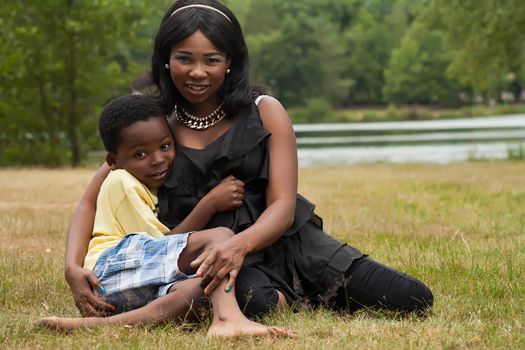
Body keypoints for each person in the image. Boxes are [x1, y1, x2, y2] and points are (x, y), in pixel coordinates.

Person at [65, 0, 433, 321]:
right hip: (215, 263)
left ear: (230, 62)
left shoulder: (265, 112)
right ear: (165, 60)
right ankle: (287, 300)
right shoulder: (153, 128)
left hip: (288, 244)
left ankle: (303, 292)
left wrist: (238, 244)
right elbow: (89, 200)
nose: (197, 72)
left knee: (413, 298)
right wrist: (72, 266)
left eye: (211, 60)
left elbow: (284, 206)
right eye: (184, 58)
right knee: (254, 303)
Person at [36, 94, 292, 337]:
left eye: (165, 146)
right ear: (112, 160)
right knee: (221, 237)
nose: (158, 160)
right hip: (108, 269)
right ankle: (227, 319)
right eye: (140, 154)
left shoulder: (139, 182)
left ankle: (104, 325)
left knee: (204, 285)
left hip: (130, 281)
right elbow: (164, 243)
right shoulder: (121, 183)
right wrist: (209, 204)